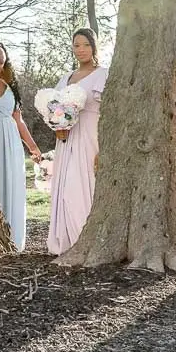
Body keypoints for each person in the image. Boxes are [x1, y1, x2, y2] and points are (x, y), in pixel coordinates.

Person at [47, 29, 108, 255]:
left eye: (85, 45)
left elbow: (109, 112)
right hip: (66, 138)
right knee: (64, 185)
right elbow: (54, 110)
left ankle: (85, 235)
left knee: (83, 184)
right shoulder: (65, 78)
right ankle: (65, 238)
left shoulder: (103, 74)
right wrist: (58, 128)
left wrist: (104, 147)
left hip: (90, 136)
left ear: (94, 47)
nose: (81, 50)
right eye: (76, 45)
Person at [0, 41, 41, 251]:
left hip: (11, 143)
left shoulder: (10, 87)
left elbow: (19, 121)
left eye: (1, 61)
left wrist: (33, 148)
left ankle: (13, 237)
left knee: (11, 184)